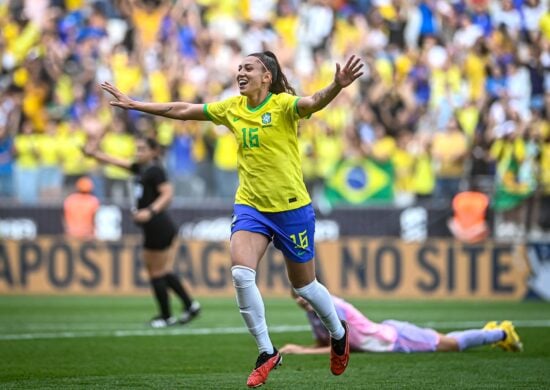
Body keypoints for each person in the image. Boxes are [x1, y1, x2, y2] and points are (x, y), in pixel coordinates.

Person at [99, 50, 364, 387]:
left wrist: (336, 86)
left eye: (248, 68)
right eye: (239, 67)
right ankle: (267, 352)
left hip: (292, 208)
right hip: (251, 207)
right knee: (241, 274)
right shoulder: (231, 108)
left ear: (266, 76)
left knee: (305, 287)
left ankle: (338, 333)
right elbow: (181, 110)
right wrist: (136, 104)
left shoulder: (282, 105)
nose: (241, 72)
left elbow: (312, 102)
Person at [84, 135, 200, 328]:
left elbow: (168, 194)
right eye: (136, 149)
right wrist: (95, 154)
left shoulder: (155, 170)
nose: (138, 152)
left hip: (159, 224)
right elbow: (117, 162)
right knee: (160, 270)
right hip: (153, 226)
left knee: (156, 272)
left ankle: (166, 316)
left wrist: (149, 211)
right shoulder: (142, 169)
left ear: (154, 151)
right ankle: (190, 305)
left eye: (142, 149)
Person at [280, 292, 523, 355]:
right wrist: (304, 349)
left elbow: (346, 348)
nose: (302, 300)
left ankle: (501, 333)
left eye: (304, 295)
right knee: (448, 341)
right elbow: (326, 342)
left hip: (396, 338)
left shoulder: (334, 308)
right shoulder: (315, 313)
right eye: (297, 297)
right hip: (387, 337)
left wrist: (301, 351)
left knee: (453, 345)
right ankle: (492, 332)